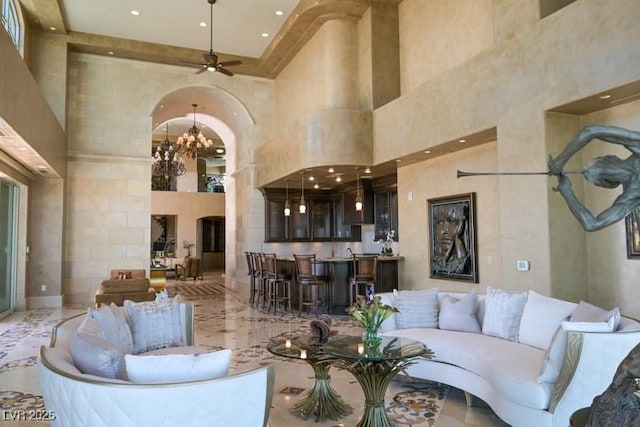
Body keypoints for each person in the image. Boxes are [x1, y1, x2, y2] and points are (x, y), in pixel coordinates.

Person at [548, 125, 640, 231]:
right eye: (601, 177)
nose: (591, 171)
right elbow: (592, 225)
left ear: (609, 158)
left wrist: (560, 161)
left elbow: (591, 130)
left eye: (601, 167)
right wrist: (567, 193)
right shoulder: (630, 198)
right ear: (608, 185)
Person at [431, 202, 470, 275]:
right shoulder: (435, 261)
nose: (444, 231)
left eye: (452, 222)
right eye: (440, 223)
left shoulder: (464, 261)